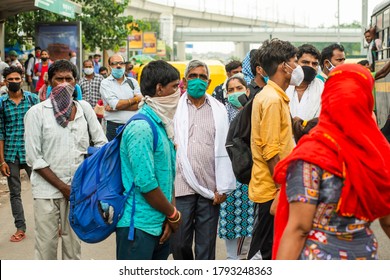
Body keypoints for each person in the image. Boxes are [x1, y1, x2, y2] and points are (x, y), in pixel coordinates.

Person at [273, 64, 390, 260]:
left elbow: (299, 229)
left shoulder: (311, 154)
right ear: (367, 99)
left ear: (327, 98)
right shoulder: (379, 154)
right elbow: (387, 222)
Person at [24, 60, 107, 260]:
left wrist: (88, 179)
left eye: (68, 79)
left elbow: (101, 144)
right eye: (58, 79)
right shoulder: (36, 113)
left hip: (79, 191)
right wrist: (63, 187)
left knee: (73, 248)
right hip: (47, 191)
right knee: (46, 248)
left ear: (75, 81)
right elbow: (34, 159)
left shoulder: (84, 109)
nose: (63, 84)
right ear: (49, 82)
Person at [117, 60, 182, 260]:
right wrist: (173, 215)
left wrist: (168, 216)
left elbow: (167, 176)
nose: (178, 92)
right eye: (174, 87)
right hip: (138, 227)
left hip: (158, 223)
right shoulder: (141, 128)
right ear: (159, 89)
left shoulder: (161, 125)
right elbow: (146, 183)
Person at [171, 60, 236, 260]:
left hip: (210, 189)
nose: (198, 80)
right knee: (180, 243)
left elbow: (226, 148)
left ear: (208, 83)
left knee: (206, 247)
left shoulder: (219, 110)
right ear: (184, 80)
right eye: (193, 76)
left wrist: (223, 187)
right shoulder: (174, 109)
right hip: (181, 186)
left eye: (202, 77)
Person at [248, 39, 300, 260]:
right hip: (272, 190)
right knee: (268, 252)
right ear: (283, 66)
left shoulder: (274, 96)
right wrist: (281, 189)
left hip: (274, 186)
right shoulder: (271, 100)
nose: (298, 68)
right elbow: (270, 151)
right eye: (295, 62)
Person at [0, 66, 39, 243]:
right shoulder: (1, 103)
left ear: (22, 79)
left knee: (41, 190)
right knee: (15, 193)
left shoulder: (32, 99)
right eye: (11, 80)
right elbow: (0, 132)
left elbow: (42, 127)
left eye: (17, 79)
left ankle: (51, 224)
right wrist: (2, 161)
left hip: (32, 152)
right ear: (5, 82)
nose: (14, 82)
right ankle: (20, 227)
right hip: (10, 154)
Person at [218, 75, 254, 260]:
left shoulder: (255, 112)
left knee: (251, 232)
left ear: (247, 91)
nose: (234, 93)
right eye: (230, 90)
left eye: (239, 88)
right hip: (229, 181)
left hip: (252, 179)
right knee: (231, 232)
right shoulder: (222, 115)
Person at [286, 44, 324, 142]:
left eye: (314, 64)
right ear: (296, 63)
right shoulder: (284, 86)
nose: (310, 67)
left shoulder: (323, 89)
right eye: (305, 62)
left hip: (313, 144)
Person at [100, 54, 142, 141]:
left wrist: (115, 108)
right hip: (114, 128)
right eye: (115, 63)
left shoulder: (133, 82)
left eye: (121, 63)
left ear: (124, 65)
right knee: (115, 154)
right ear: (110, 66)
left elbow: (140, 105)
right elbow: (116, 104)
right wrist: (135, 99)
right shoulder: (105, 83)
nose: (118, 66)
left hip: (133, 126)